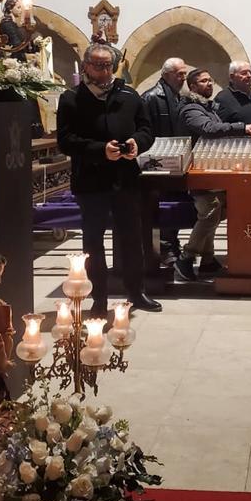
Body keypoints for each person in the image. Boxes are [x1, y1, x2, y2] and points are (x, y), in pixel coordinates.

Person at [57, 43, 161, 314]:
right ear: (86, 66)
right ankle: (99, 298)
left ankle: (136, 293)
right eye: (97, 65)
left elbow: (147, 129)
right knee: (93, 241)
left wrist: (137, 144)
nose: (104, 71)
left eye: (107, 65)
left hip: (125, 178)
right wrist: (100, 150)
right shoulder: (72, 98)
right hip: (90, 182)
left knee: (131, 237)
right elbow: (66, 141)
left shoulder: (129, 95)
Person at [175, 68, 251, 281]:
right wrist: (240, 127)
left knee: (216, 212)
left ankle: (208, 260)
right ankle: (185, 258)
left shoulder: (207, 106)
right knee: (210, 212)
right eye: (204, 81)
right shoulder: (191, 108)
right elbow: (208, 128)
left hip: (213, 168)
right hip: (199, 172)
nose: (209, 84)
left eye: (211, 80)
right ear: (192, 86)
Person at [141, 57, 188, 261]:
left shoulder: (179, 96)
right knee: (162, 205)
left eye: (184, 74)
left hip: (175, 158)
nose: (183, 78)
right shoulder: (151, 97)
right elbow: (145, 131)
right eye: (179, 74)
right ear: (166, 74)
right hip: (158, 161)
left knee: (174, 204)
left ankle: (171, 244)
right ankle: (162, 249)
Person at [215, 60, 251, 134]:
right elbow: (218, 126)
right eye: (244, 73)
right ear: (232, 77)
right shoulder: (223, 98)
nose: (249, 76)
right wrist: (242, 128)